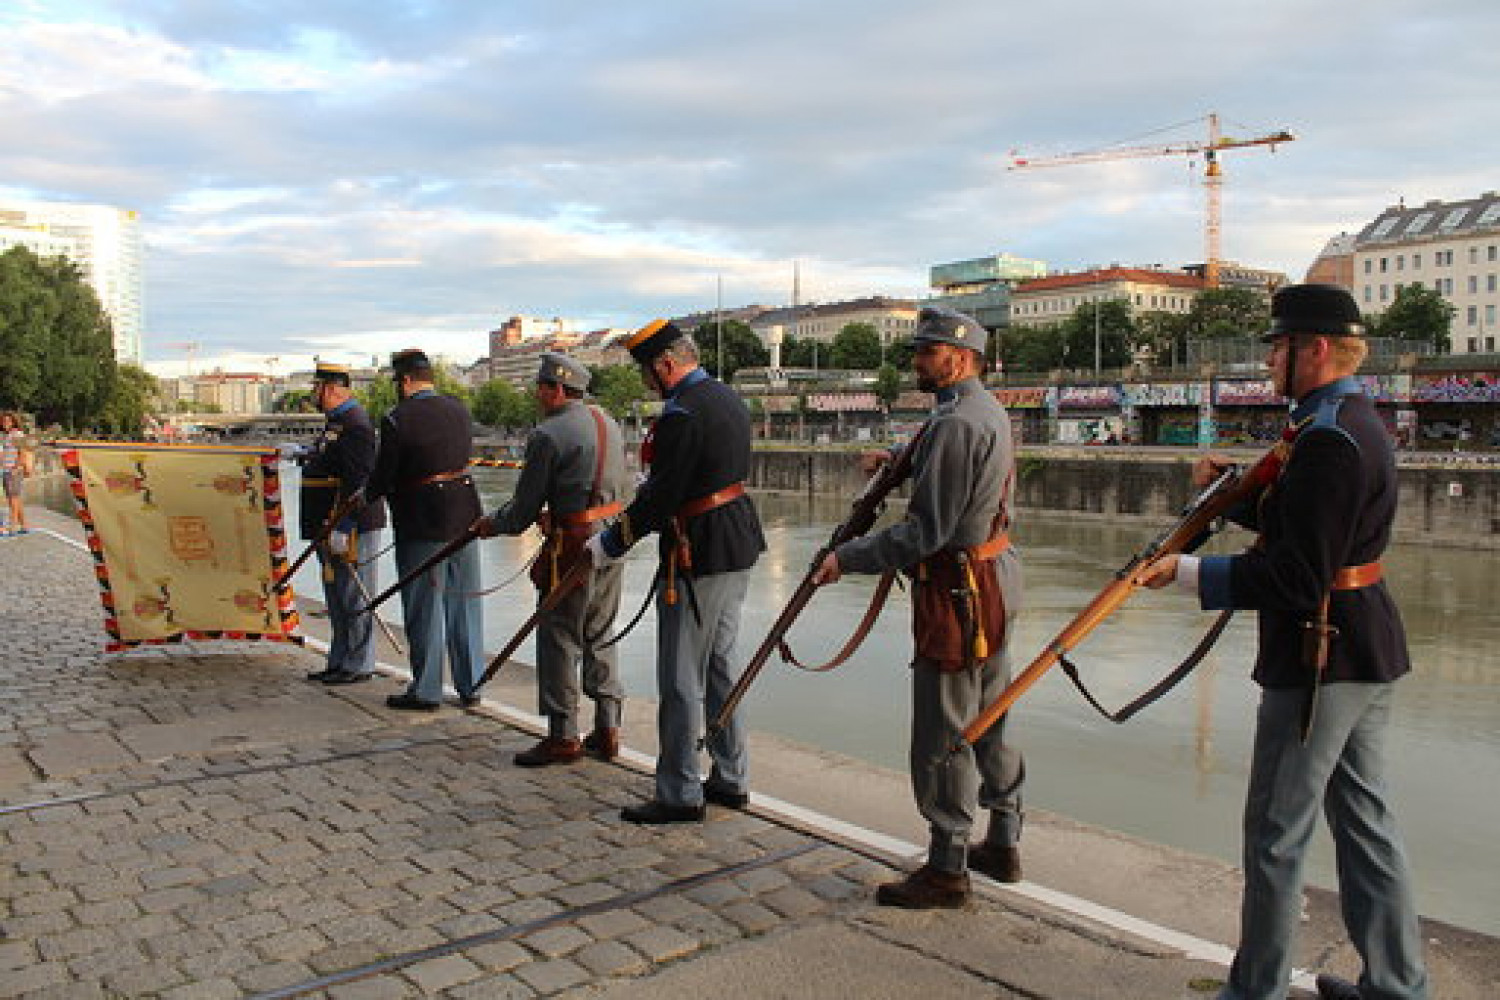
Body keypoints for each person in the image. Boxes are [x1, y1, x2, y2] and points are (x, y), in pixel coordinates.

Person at [1137, 284, 1428, 1000]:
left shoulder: (1326, 438)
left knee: (1275, 835)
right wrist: (1241, 501)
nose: (1268, 358)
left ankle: (1255, 990)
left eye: (1278, 345)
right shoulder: (1349, 420)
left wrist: (1188, 574)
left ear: (1316, 349)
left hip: (1319, 655)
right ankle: (1397, 986)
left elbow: (1298, 575)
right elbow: (1315, 530)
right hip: (1364, 646)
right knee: (1365, 826)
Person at [811, 306, 1025, 908]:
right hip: (992, 580)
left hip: (959, 592)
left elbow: (927, 531)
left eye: (926, 352)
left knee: (943, 730)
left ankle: (947, 865)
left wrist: (847, 558)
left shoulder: (955, 425)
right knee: (990, 716)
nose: (916, 362)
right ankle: (1004, 839)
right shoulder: (981, 412)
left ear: (958, 357)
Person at [585, 320, 765, 823]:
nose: (645, 381)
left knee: (682, 674)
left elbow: (660, 498)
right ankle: (731, 776)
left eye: (646, 371)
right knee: (722, 666)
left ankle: (680, 790)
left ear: (666, 364)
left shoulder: (684, 412)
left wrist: (609, 542)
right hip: (735, 541)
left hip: (698, 549)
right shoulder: (726, 397)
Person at [476, 352, 629, 766]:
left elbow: (523, 509)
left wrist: (490, 524)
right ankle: (608, 726)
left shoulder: (549, 434)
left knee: (560, 637)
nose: (537, 395)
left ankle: (563, 735)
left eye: (542, 388)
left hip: (571, 547)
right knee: (602, 631)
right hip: (613, 539)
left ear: (558, 389)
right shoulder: (610, 424)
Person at [364, 349, 484, 711]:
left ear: (404, 381)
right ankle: (471, 683)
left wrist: (365, 495)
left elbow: (385, 475)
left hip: (422, 519)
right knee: (465, 603)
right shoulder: (459, 409)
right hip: (466, 515)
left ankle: (428, 689)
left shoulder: (398, 418)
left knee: (424, 607)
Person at [299, 362, 387, 685]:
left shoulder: (356, 425)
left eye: (318, 388)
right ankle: (340, 658)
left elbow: (359, 481)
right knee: (336, 597)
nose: (314, 394)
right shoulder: (337, 423)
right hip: (330, 521)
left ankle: (359, 663)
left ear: (333, 389)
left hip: (351, 524)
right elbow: (329, 460)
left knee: (354, 596)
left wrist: (344, 525)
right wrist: (306, 456)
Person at [1, 411, 32, 537]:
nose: (5, 423)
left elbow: (23, 452)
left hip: (14, 470)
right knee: (15, 498)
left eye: (8, 421)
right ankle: (24, 525)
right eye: (3, 421)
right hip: (6, 470)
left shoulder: (17, 434)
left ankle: (13, 526)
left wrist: (17, 468)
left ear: (13, 422)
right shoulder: (5, 435)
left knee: (13, 498)